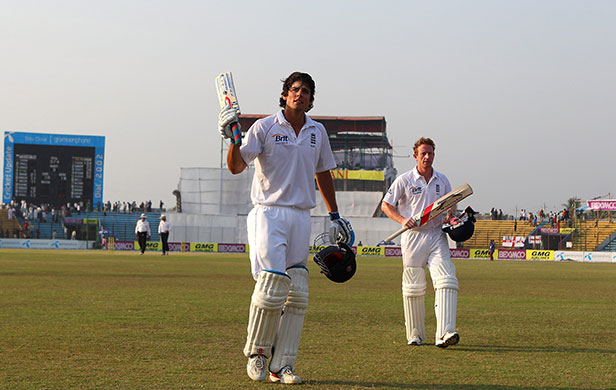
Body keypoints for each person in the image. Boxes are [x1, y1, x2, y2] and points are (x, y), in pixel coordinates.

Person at [218, 71, 353, 384]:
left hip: (301, 215)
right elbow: (237, 166)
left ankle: (283, 365)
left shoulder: (317, 131)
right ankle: (257, 354)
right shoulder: (265, 127)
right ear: (284, 94)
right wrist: (233, 140)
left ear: (310, 98)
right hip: (269, 212)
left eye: (305, 90)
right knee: (273, 283)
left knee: (297, 292)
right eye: (294, 89)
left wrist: (334, 214)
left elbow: (323, 174)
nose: (300, 94)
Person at [381, 137, 460, 348]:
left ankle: (445, 333)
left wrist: (450, 216)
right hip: (412, 236)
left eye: (430, 153)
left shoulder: (442, 180)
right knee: (413, 287)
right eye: (423, 153)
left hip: (436, 234)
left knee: (446, 280)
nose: (427, 157)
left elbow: (451, 206)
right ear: (415, 156)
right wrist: (402, 220)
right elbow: (386, 205)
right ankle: (415, 334)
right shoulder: (405, 179)